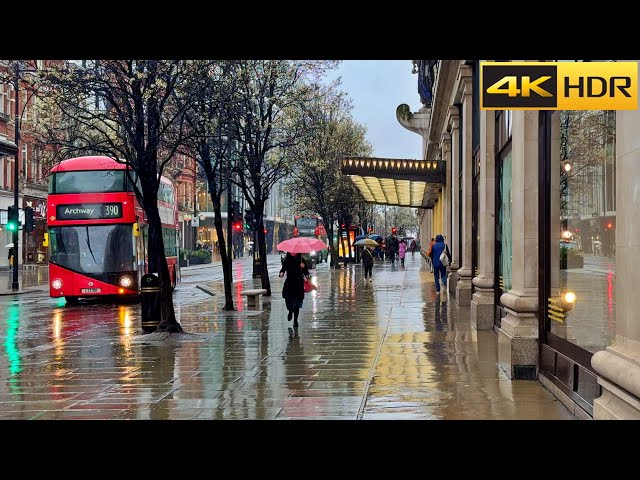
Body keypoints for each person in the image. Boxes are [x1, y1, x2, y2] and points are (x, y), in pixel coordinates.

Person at [279, 252, 310, 328]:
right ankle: (290, 311)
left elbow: (307, 273)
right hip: (289, 284)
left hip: (298, 284)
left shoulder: (301, 260)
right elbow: (283, 269)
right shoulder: (287, 260)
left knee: (297, 304)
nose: (293, 253)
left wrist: (303, 269)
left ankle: (295, 320)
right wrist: (281, 273)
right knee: (288, 301)